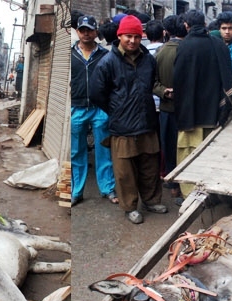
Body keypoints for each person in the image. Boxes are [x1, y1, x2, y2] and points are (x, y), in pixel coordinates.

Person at [92, 15, 165, 224]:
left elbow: (152, 83)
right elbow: (97, 94)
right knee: (125, 173)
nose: (132, 41)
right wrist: (116, 110)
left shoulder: (148, 60)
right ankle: (130, 207)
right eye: (127, 36)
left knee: (150, 167)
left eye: (136, 36)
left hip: (146, 122)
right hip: (122, 126)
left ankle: (151, 201)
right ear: (119, 36)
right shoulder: (108, 62)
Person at [173, 9, 232, 196]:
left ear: (186, 25)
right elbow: (228, 79)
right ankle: (212, 193)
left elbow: (179, 81)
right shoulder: (219, 45)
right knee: (211, 154)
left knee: (188, 154)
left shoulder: (184, 46)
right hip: (214, 112)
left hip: (190, 114)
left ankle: (189, 195)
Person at [70, 15, 118, 205]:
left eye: (89, 30)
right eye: (82, 30)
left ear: (96, 32)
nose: (86, 33)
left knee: (104, 149)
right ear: (77, 31)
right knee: (76, 151)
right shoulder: (71, 54)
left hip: (100, 109)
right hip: (77, 108)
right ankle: (77, 191)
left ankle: (107, 188)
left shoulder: (105, 55)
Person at [153, 15, 186, 205]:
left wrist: (164, 91)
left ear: (166, 32)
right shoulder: (189, 51)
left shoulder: (160, 52)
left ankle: (174, 186)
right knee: (187, 147)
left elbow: (151, 82)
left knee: (170, 147)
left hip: (166, 108)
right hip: (188, 110)